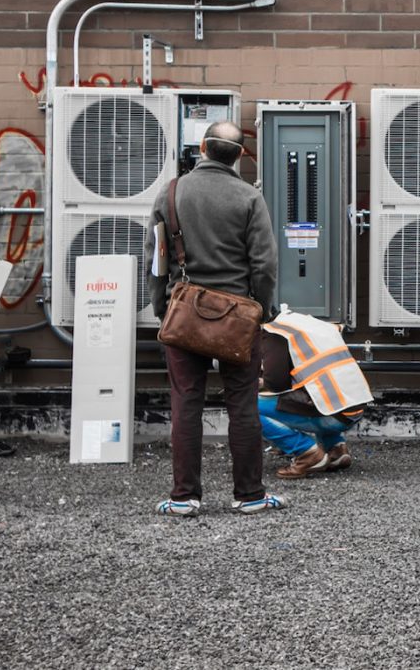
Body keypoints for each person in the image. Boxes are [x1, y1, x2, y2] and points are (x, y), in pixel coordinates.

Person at [147, 121, 284, 517]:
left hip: (184, 313)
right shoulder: (248, 198)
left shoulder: (170, 193)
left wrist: (163, 309)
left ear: (203, 146)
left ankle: (184, 498)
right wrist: (261, 308)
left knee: (185, 404)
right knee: (242, 404)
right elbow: (265, 264)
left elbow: (156, 262)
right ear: (240, 155)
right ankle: (250, 496)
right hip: (238, 320)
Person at [257, 309, 372, 478]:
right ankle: (336, 448)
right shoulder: (305, 323)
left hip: (333, 415)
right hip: (354, 406)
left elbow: (276, 384)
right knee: (317, 392)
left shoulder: (275, 332)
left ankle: (306, 453)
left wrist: (259, 381)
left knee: (248, 405)